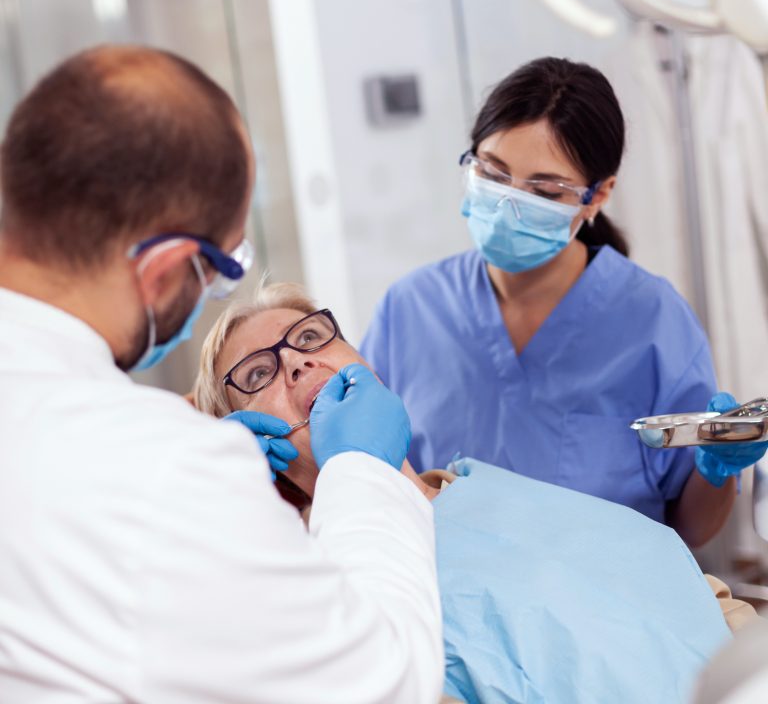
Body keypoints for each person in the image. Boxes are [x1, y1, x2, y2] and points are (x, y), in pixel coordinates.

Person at [0, 46, 443, 703]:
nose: (298, 362)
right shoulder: (167, 473)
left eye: (314, 338)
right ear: (163, 270)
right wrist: (361, 473)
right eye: (222, 268)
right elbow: (383, 686)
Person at [193, 282, 736, 704]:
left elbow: (681, 593)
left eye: (311, 337)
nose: (295, 360)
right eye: (258, 373)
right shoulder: (327, 591)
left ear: (366, 363)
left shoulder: (480, 486)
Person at [360, 56, 768, 548]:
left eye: (545, 190)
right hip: (447, 608)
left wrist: (716, 471)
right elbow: (372, 484)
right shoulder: (410, 311)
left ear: (597, 197)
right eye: (493, 172)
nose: (509, 202)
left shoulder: (652, 321)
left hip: (610, 610)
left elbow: (692, 530)